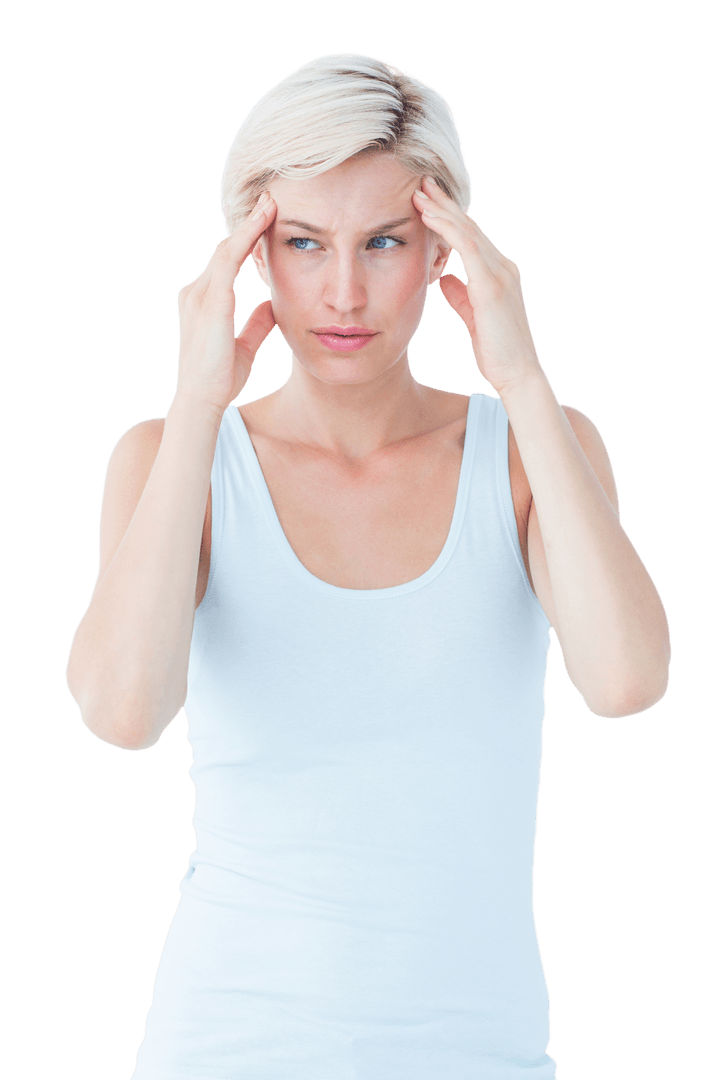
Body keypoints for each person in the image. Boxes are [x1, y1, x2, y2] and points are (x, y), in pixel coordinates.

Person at [65, 52, 671, 1079]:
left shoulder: (535, 450)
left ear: (444, 247)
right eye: (304, 242)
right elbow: (125, 715)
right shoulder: (169, 458)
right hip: (227, 1044)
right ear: (252, 252)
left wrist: (522, 377)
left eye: (385, 242)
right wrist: (196, 402)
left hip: (481, 1052)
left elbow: (624, 683)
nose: (343, 291)